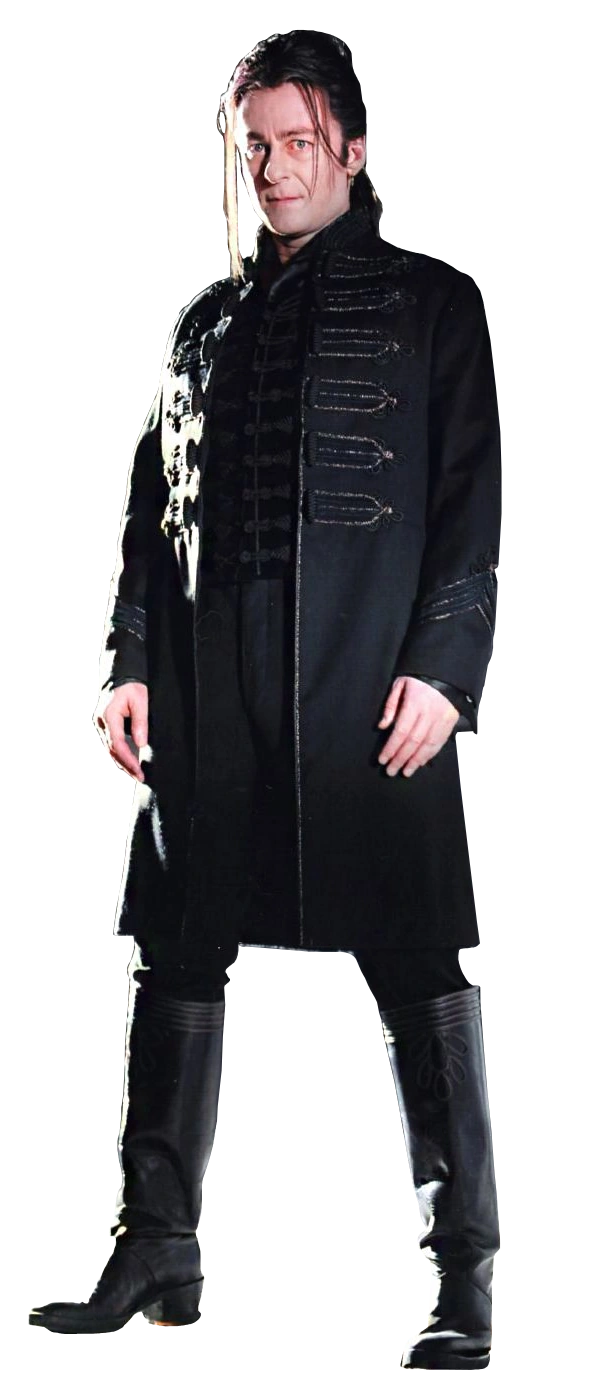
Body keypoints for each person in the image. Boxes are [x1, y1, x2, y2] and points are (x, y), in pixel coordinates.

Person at [28, 28, 502, 1374]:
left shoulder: (434, 304)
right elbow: (146, 514)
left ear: (351, 149)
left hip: (367, 678)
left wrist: (444, 669)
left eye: (298, 143)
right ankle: (156, 1245)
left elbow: (471, 503)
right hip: (205, 692)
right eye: (256, 148)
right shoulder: (201, 326)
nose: (276, 170)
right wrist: (125, 661)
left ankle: (464, 1267)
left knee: (421, 957)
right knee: (172, 955)